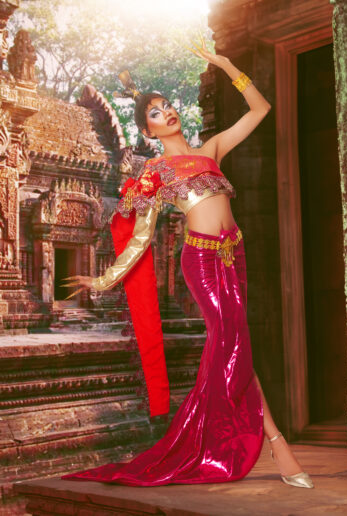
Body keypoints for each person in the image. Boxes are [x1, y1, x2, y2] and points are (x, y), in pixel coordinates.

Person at [60, 35, 314, 489]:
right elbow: (140, 237)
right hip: (200, 260)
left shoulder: (211, 148)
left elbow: (260, 110)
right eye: (155, 113)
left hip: (234, 253)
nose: (167, 113)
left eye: (167, 106)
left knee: (235, 342)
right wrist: (105, 279)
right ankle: (278, 445)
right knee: (231, 337)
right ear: (147, 132)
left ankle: (260, 440)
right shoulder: (154, 173)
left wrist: (225, 63)